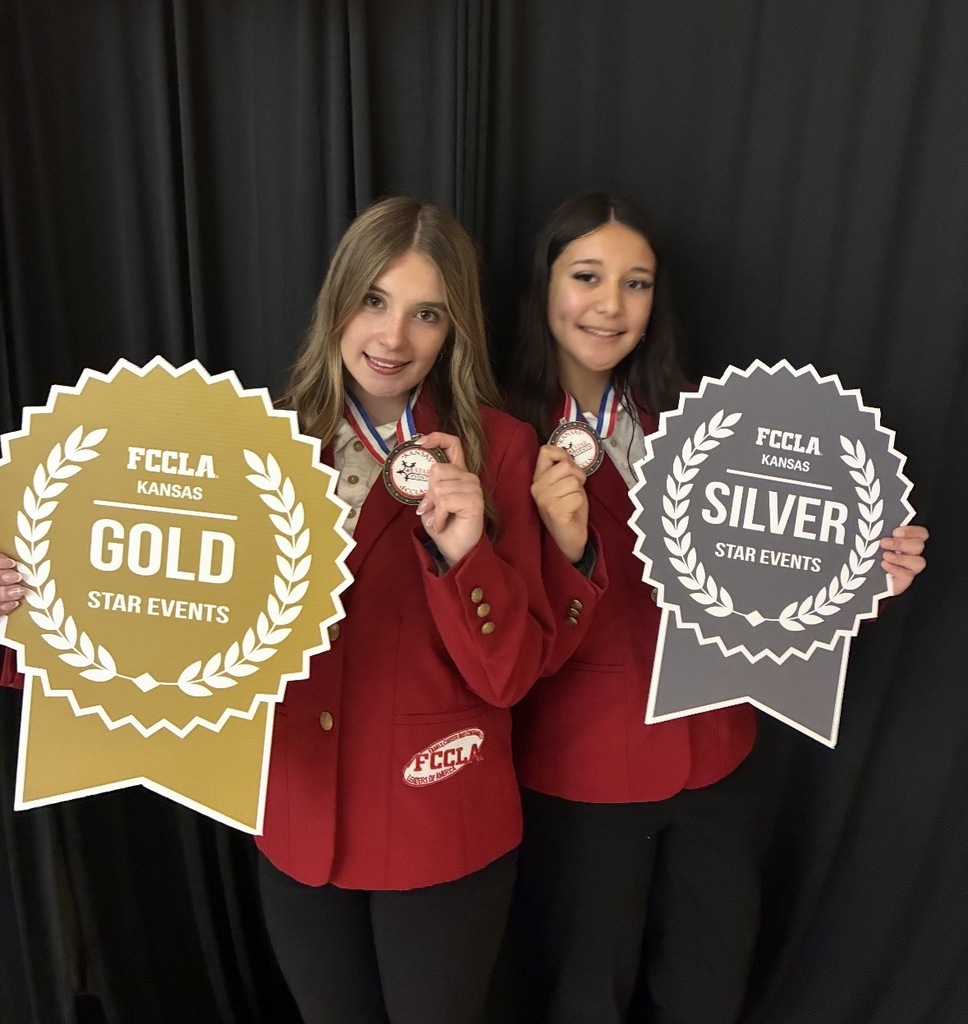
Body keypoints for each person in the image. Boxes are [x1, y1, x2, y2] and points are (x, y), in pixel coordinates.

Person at [0, 196, 604, 1024]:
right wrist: (31, 604)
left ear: (454, 327)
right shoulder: (257, 446)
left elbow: (508, 679)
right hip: (297, 824)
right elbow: (161, 601)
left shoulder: (500, 450)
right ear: (338, 302)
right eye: (375, 301)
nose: (393, 339)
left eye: (426, 313)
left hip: (441, 825)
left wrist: (463, 553)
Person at [504, 192, 929, 1024]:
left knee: (708, 990)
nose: (611, 305)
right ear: (543, 286)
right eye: (587, 276)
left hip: (718, 758)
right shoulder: (497, 433)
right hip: (585, 770)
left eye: (637, 283)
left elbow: (772, 574)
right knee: (582, 998)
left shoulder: (713, 417)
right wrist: (563, 546)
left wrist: (863, 579)